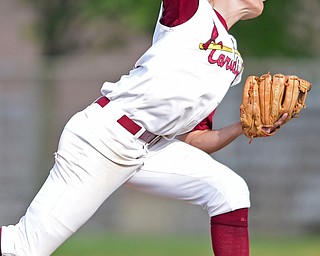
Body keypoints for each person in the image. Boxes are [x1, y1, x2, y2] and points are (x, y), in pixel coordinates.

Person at [0, 0, 281, 255]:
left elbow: (195, 138)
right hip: (104, 137)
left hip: (152, 148)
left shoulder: (232, 59)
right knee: (23, 248)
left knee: (229, 190)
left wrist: (242, 127)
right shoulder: (190, 12)